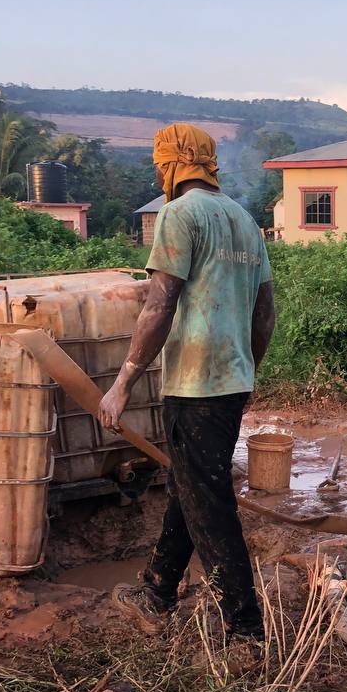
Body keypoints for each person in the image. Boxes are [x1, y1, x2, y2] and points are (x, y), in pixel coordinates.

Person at [100, 122, 276, 640]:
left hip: (195, 384)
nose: (158, 172)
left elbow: (160, 302)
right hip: (230, 382)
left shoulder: (178, 215)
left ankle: (245, 631)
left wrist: (124, 380)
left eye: (160, 163)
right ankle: (157, 590)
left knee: (210, 506)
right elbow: (264, 315)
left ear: (173, 164)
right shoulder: (245, 220)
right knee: (188, 485)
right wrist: (248, 367)